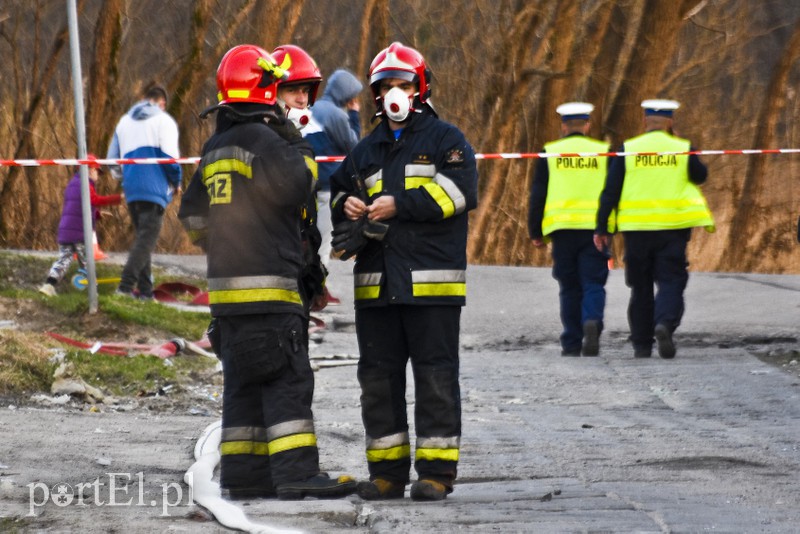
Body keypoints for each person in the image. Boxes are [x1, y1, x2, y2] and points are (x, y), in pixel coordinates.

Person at [178, 44, 356, 501]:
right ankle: (296, 472)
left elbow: (193, 216)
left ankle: (244, 474)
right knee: (286, 379)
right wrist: (296, 143)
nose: (292, 101)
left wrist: (225, 243)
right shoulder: (269, 142)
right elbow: (300, 182)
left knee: (242, 383)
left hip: (227, 297)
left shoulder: (216, 145)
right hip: (271, 290)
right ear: (266, 90)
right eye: (286, 91)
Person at [330, 42, 478, 501]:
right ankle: (386, 473)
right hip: (377, 289)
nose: (395, 93)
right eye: (386, 86)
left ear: (421, 88)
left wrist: (401, 204)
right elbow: (338, 195)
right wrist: (346, 205)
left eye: (404, 84)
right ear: (375, 93)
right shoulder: (364, 150)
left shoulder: (446, 140)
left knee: (435, 379)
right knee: (377, 381)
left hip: (432, 288)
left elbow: (459, 194)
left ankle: (436, 474)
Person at [594, 99, 714, 359]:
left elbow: (610, 190)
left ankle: (641, 344)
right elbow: (700, 176)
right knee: (671, 280)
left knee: (641, 287)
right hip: (672, 230)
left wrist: (602, 227)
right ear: (670, 122)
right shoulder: (682, 148)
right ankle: (664, 324)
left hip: (636, 231)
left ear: (645, 121)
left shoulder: (629, 148)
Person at [528, 102, 612, 357]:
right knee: (593, 282)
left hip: (562, 229)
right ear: (587, 125)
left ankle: (572, 341)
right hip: (595, 229)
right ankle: (592, 322)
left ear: (563, 126)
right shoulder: (603, 151)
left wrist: (535, 231)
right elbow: (611, 191)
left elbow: (538, 193)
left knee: (569, 286)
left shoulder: (550, 152)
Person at [106, 83, 182, 300]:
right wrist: (176, 182)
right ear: (162, 103)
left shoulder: (124, 121)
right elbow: (170, 158)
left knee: (143, 239)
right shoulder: (163, 120)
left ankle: (146, 293)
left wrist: (125, 176)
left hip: (131, 188)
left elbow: (112, 160)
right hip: (155, 187)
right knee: (147, 240)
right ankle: (125, 287)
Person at [271, 44, 329, 316]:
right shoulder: (265, 142)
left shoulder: (299, 143)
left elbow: (306, 221)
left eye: (306, 91)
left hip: (296, 274)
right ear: (273, 94)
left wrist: (314, 273)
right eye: (293, 90)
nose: (302, 99)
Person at [306, 67, 363, 302]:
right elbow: (354, 146)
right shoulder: (336, 115)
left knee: (308, 237)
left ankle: (310, 282)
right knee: (323, 240)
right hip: (327, 187)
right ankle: (317, 287)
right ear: (346, 95)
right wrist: (354, 115)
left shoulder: (313, 108)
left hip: (306, 186)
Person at [38, 155, 122, 297]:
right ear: (89, 170)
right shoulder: (85, 184)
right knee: (87, 262)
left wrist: (96, 215)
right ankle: (93, 294)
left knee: (63, 260)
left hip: (65, 232)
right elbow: (94, 200)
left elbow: (77, 207)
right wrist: (118, 198)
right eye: (97, 171)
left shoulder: (72, 184)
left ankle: (49, 285)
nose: (98, 175)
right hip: (80, 233)